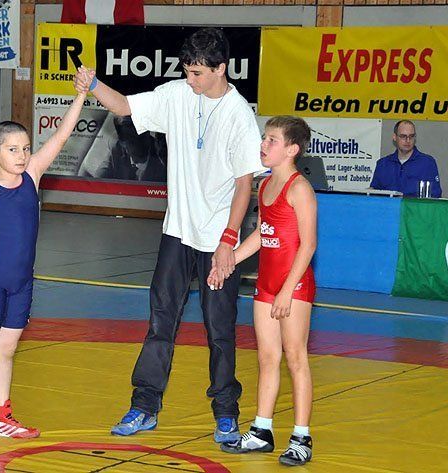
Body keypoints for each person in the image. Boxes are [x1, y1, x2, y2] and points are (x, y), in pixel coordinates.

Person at [74, 27, 264, 443]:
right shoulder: (177, 94)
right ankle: (144, 406)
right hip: (177, 232)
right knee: (160, 321)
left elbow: (244, 185)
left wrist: (228, 240)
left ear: (221, 69)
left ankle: (226, 413)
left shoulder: (239, 115)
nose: (190, 80)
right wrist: (93, 84)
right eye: (187, 71)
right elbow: (125, 105)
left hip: (218, 240)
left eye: (198, 73)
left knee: (220, 330)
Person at [0, 85, 88, 453]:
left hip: (22, 282)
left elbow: (61, 135)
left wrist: (81, 95)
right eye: (13, 149)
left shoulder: (33, 175)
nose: (23, 155)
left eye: (26, 148)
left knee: (7, 349)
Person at [211, 116, 317, 467]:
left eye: (272, 140)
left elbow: (308, 245)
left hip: (293, 286)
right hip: (267, 285)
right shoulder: (266, 184)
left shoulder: (300, 189)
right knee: (267, 358)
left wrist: (287, 291)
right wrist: (230, 260)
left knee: (296, 357)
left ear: (292, 149)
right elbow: (262, 233)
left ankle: (301, 436)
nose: (263, 144)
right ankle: (261, 430)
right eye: (264, 137)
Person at [370, 120, 442, 197]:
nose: (408, 140)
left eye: (411, 136)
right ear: (394, 137)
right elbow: (374, 194)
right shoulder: (382, 164)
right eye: (403, 136)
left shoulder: (428, 163)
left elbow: (435, 196)